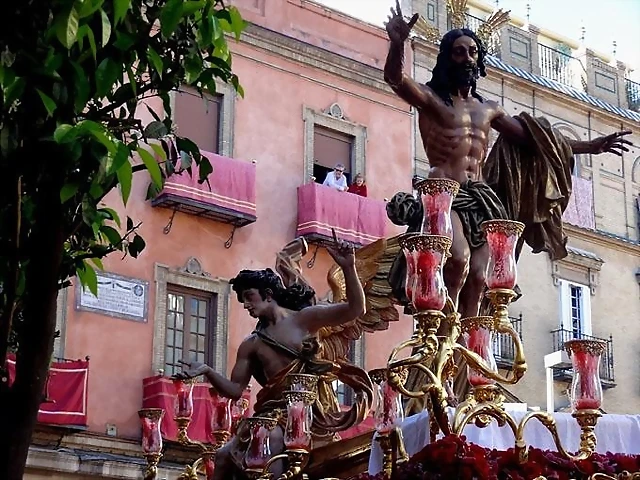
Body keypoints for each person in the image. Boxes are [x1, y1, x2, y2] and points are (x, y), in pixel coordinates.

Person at [383, 0, 631, 321]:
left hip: (483, 197)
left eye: (473, 52)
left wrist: (590, 146)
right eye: (459, 52)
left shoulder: (489, 109)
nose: (467, 58)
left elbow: (538, 141)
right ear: (447, 58)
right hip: (446, 195)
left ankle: (469, 344)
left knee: (481, 275)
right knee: (456, 260)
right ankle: (444, 331)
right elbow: (396, 80)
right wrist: (398, 43)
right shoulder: (432, 99)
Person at [174, 235, 371, 480]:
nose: (246, 305)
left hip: (305, 410)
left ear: (268, 294)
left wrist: (349, 267)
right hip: (271, 413)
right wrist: (207, 370)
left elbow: (355, 309)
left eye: (249, 297)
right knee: (224, 456)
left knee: (270, 442)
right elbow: (236, 389)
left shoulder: (305, 319)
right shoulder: (251, 344)